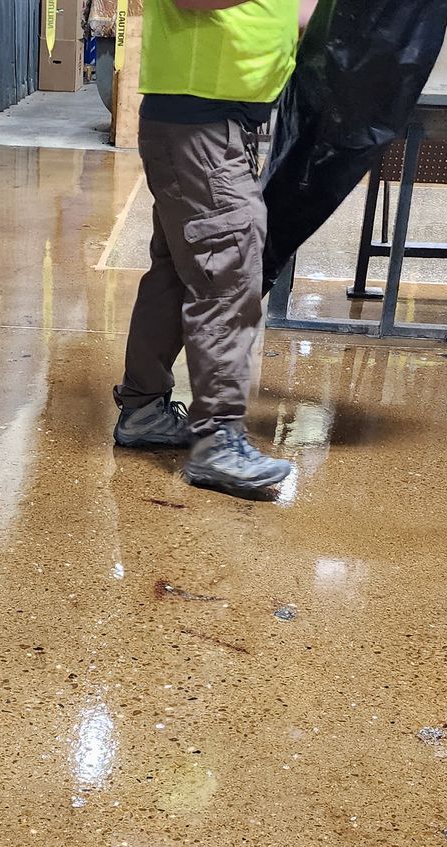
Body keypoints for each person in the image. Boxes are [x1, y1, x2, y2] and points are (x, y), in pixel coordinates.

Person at [111, 0, 301, 501]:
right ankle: (217, 440)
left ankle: (144, 409)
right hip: (201, 122)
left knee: (179, 270)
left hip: (207, 121)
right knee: (226, 274)